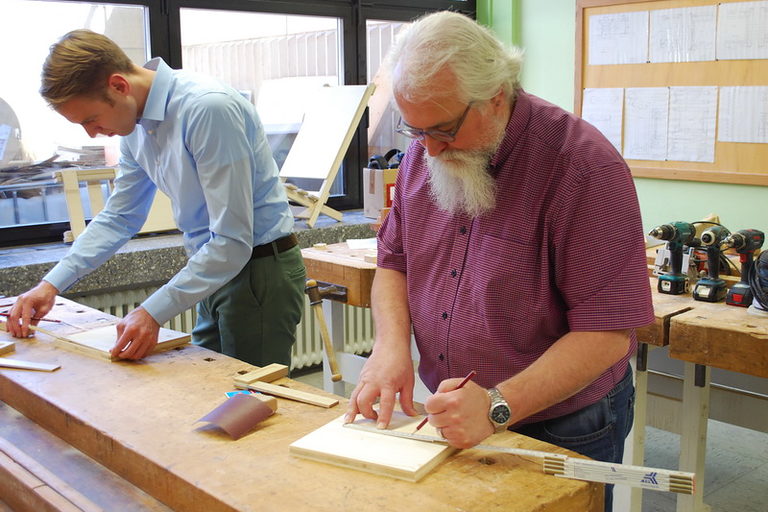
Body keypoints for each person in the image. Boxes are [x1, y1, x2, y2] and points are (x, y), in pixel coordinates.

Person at [343, 11, 653, 511]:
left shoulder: (583, 167)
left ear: (496, 95)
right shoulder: (427, 152)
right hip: (455, 414)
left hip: (564, 423)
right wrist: (390, 346)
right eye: (414, 130)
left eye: (442, 130)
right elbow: (394, 260)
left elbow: (607, 332)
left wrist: (496, 405)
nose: (429, 150)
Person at [7, 29, 306, 366]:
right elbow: (120, 216)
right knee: (206, 388)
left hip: (258, 268)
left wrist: (151, 312)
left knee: (252, 402)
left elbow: (233, 241)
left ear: (119, 86)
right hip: (212, 267)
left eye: (91, 119)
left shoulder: (207, 109)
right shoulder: (134, 127)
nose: (91, 133)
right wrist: (51, 284)